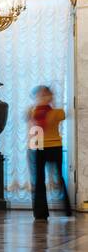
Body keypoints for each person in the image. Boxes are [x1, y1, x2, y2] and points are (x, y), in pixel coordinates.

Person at [28, 85, 74, 220]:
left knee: (58, 178)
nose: (42, 97)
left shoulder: (56, 112)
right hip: (39, 147)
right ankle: (40, 214)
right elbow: (32, 129)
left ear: (50, 96)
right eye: (40, 94)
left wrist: (52, 103)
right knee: (39, 180)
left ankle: (67, 211)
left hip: (55, 146)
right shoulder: (32, 112)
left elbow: (63, 115)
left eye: (46, 94)